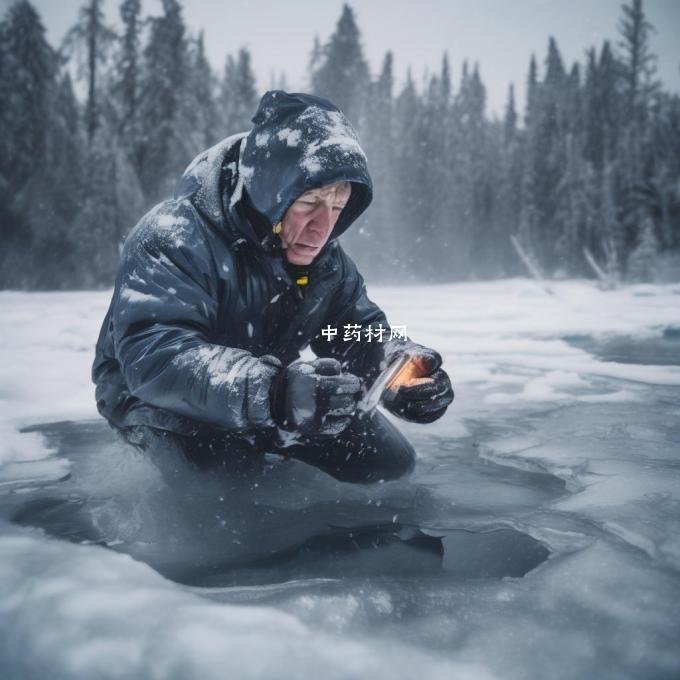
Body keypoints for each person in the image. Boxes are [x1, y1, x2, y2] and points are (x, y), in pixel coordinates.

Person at [92, 91, 454, 484]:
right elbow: (156, 356)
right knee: (229, 486)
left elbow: (352, 332)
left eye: (337, 207)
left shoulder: (325, 260)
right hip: (157, 402)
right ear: (271, 190)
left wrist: (399, 366)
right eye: (309, 202)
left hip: (274, 395)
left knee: (388, 463)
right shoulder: (173, 236)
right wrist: (275, 391)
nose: (323, 228)